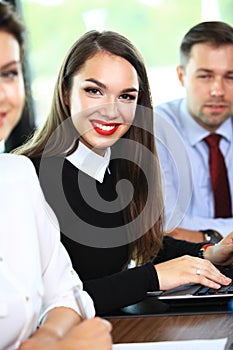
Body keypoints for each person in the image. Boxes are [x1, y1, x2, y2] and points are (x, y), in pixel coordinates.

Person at [15, 29, 233, 316]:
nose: (111, 111)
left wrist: (209, 253)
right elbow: (48, 303)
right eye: (94, 91)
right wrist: (153, 277)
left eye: (126, 96)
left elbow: (144, 244)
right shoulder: (25, 178)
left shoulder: (119, 167)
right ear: (66, 93)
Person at [0, 2, 112, 349]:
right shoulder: (38, 168)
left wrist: (47, 339)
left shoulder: (16, 175)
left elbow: (67, 290)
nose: (3, 94)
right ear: (65, 94)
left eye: (9, 73)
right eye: (93, 90)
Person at [155, 21, 233, 243]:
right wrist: (217, 239)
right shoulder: (155, 128)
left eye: (230, 77)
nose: (218, 90)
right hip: (181, 267)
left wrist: (205, 236)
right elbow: (165, 227)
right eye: (205, 76)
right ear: (182, 76)